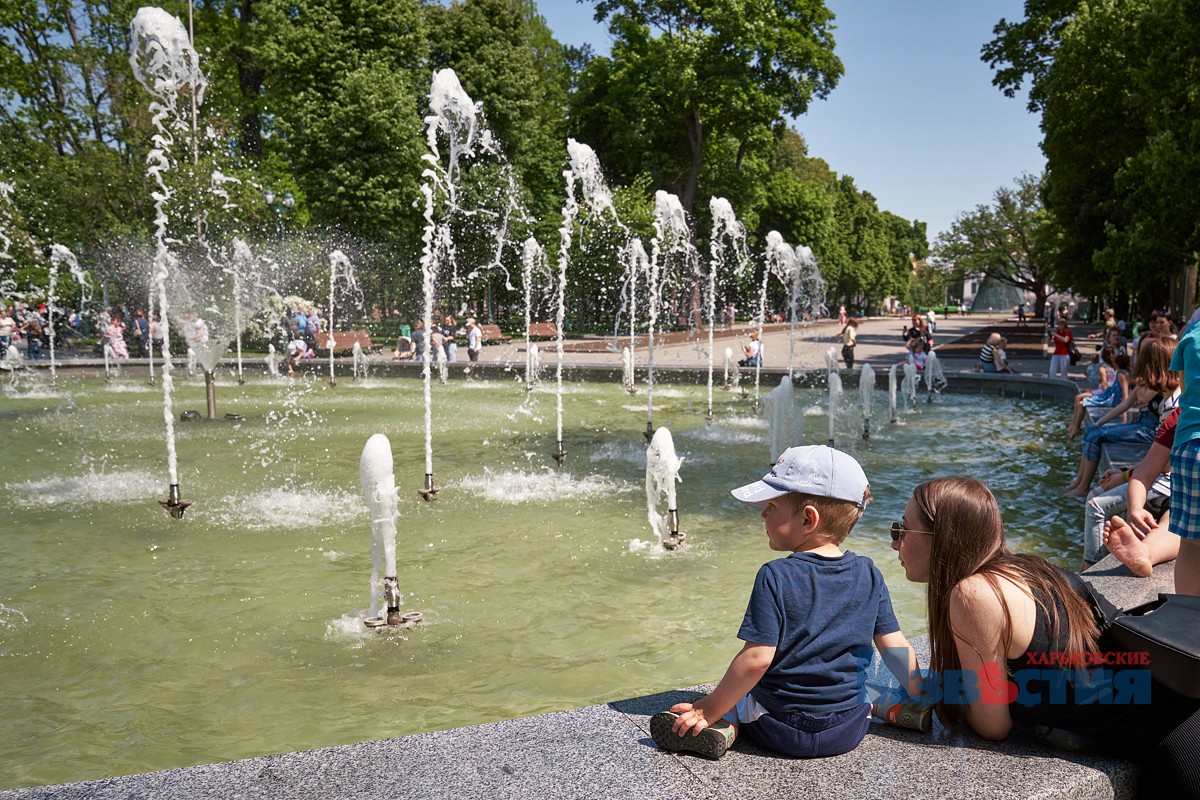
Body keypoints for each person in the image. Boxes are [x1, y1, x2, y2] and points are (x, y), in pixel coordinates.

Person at [892, 476, 1200, 795]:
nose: (895, 541)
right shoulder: (1029, 568)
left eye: (901, 529)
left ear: (939, 537)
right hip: (1179, 714)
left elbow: (992, 726)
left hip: (1177, 745)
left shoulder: (973, 595)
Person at [650, 446, 918, 760]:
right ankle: (901, 708)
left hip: (782, 729)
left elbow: (756, 661)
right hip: (849, 729)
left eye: (772, 506)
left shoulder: (775, 576)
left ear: (808, 519)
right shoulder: (869, 574)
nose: (763, 513)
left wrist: (707, 707)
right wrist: (920, 691)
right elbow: (894, 646)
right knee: (864, 690)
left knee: (740, 697)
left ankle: (725, 730)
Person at [1065, 336, 1179, 497]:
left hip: (1148, 429)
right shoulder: (1156, 389)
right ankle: (1079, 481)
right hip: (1142, 425)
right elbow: (1124, 405)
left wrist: (1126, 474)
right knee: (1093, 430)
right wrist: (1100, 422)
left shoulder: (1168, 394)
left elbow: (1141, 399)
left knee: (1098, 436)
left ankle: (1083, 486)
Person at [1080, 407, 1176, 569]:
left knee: (1096, 504)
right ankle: (1144, 553)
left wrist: (1124, 476)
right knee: (1173, 518)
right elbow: (1144, 472)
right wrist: (1136, 506)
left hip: (1167, 486)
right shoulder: (1179, 417)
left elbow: (1162, 466)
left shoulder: (1176, 410)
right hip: (1179, 497)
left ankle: (1089, 567)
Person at [1168, 314, 1200, 595]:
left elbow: (1184, 389)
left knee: (1190, 546)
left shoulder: (1191, 336)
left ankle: (1184, 628)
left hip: (1191, 446)